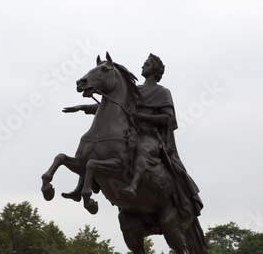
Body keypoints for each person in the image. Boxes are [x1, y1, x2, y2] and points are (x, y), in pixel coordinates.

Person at [63, 53, 203, 218]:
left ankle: (134, 185)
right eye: (144, 64)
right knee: (95, 147)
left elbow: (169, 118)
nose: (143, 66)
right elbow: (113, 106)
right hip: (129, 131)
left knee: (142, 148)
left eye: (147, 64)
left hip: (149, 135)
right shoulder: (135, 91)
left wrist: (143, 117)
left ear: (155, 70)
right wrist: (82, 107)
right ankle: (80, 189)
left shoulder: (162, 92)